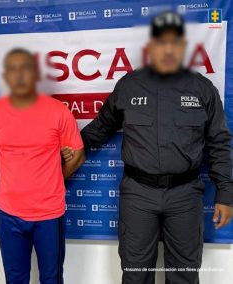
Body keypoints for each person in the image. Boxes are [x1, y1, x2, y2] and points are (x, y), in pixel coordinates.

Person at [61, 11, 233, 284]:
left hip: (185, 195)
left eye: (174, 43)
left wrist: (225, 194)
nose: (167, 49)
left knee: (185, 275)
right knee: (136, 274)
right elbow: (102, 127)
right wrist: (68, 146)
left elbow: (219, 143)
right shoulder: (129, 86)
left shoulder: (203, 90)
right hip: (138, 195)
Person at [0, 48, 85, 284]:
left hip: (48, 213)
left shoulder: (58, 112)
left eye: (25, 68)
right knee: (15, 278)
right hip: (8, 212)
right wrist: (16, 175)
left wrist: (55, 177)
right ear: (6, 76)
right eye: (13, 69)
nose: (19, 75)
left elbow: (77, 155)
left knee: (51, 278)